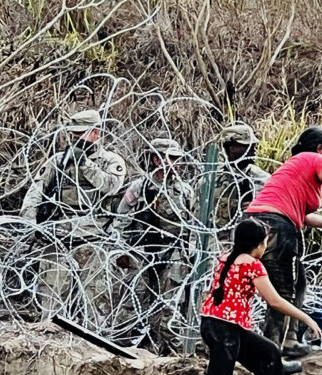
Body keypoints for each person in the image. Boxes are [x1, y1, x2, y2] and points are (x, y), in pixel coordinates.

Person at [244, 126, 322, 357]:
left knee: (297, 282)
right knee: (282, 291)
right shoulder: (313, 158)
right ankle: (271, 353)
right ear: (321, 149)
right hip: (277, 226)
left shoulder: (293, 167)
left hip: (256, 223)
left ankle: (289, 341)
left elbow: (300, 214)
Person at [21, 109, 126, 321]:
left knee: (94, 303)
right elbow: (35, 194)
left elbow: (111, 186)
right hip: (58, 236)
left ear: (96, 133)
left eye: (81, 134)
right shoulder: (59, 161)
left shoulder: (110, 161)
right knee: (51, 300)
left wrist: (85, 165)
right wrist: (32, 226)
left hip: (93, 238)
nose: (76, 139)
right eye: (74, 134)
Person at [200, 219, 322, 375]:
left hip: (212, 323)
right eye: (266, 241)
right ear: (259, 245)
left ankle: (276, 369)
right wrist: (306, 318)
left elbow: (238, 287)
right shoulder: (252, 265)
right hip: (226, 329)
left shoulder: (226, 259)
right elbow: (275, 301)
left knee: (269, 352)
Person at [112, 138, 193, 353]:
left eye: (178, 159)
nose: (177, 164)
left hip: (172, 253)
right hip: (141, 251)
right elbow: (120, 221)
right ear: (157, 160)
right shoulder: (140, 187)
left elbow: (193, 227)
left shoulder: (184, 191)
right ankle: (119, 348)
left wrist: (191, 257)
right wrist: (121, 251)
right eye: (171, 158)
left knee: (169, 308)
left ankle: (170, 355)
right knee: (132, 304)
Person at [213, 122, 271, 230]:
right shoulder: (211, 181)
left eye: (254, 145)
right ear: (231, 148)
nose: (253, 150)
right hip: (219, 242)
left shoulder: (263, 179)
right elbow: (198, 219)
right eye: (246, 146)